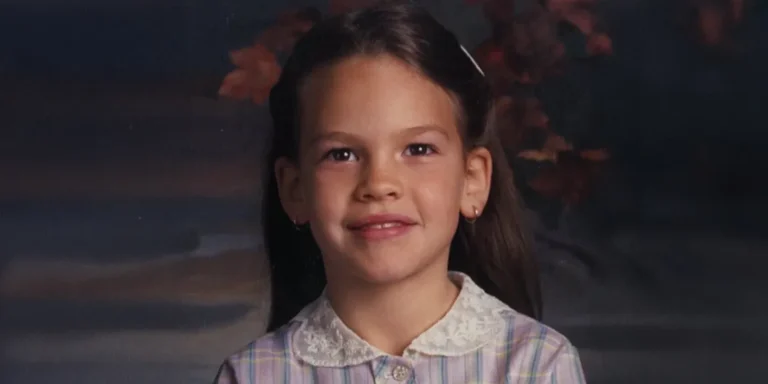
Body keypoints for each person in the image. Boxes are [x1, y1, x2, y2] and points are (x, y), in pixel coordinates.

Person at [215, 1, 586, 382]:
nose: (379, 184)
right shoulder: (253, 375)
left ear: (472, 180)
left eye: (418, 149)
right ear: (295, 189)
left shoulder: (537, 364)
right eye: (341, 154)